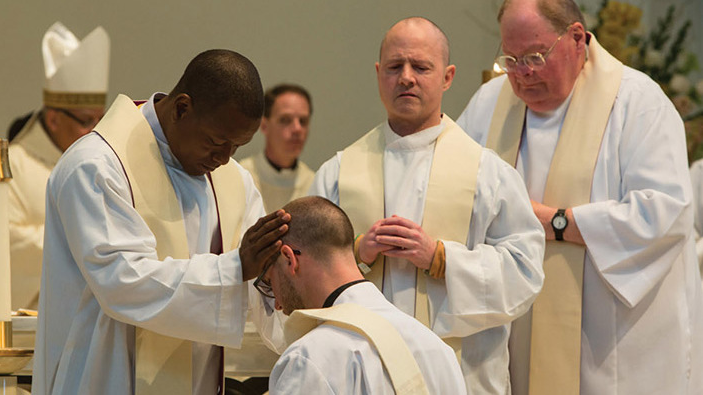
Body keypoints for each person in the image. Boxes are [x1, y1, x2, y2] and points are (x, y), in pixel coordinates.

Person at [456, 0, 703, 393]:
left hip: (612, 348)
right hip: (517, 336)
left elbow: (664, 215)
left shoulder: (638, 103)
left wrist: (552, 221)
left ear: (576, 38)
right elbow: (457, 192)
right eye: (512, 58)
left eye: (535, 56)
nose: (522, 74)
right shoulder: (489, 103)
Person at [308, 18, 545, 394]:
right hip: (360, 378)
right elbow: (300, 269)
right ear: (377, 74)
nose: (405, 78)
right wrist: (357, 254)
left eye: (420, 67)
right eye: (394, 67)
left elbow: (524, 274)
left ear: (448, 77)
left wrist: (440, 258)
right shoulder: (336, 173)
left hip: (459, 377)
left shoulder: (489, 174)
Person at [33, 49, 290, 395]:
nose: (225, 158)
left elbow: (257, 283)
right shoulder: (96, 167)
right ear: (182, 108)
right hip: (102, 380)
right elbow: (123, 282)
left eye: (238, 146)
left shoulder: (232, 180)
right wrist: (235, 268)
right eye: (217, 141)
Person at [263, 196, 466, 394]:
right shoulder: (438, 350)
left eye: (270, 281)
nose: (278, 305)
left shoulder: (309, 358)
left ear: (289, 259)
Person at [5, 22, 109, 310]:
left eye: (101, 119)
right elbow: (0, 243)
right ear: (53, 119)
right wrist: (81, 240)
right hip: (34, 321)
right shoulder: (14, 164)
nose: (97, 131)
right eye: (87, 121)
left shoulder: (105, 165)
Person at [239, 84, 315, 213]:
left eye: (303, 121)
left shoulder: (313, 183)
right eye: (285, 120)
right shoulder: (242, 175)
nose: (297, 129)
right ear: (264, 126)